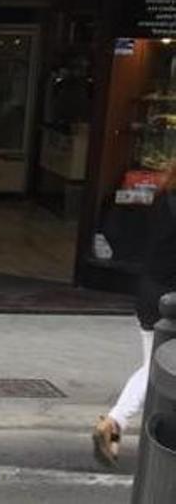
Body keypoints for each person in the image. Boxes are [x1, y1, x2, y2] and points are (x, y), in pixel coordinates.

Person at [94, 160, 176, 467]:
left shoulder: (162, 198)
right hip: (168, 300)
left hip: (149, 291)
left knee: (152, 367)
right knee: (156, 370)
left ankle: (116, 425)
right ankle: (114, 422)